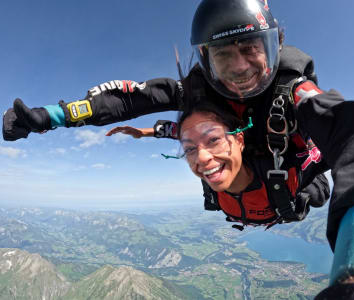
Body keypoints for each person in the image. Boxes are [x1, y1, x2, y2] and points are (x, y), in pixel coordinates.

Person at [3, 0, 330, 219]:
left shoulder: (297, 91)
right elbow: (130, 99)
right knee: (201, 133)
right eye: (224, 55)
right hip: (251, 196)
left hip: (290, 186)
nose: (240, 67)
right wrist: (49, 117)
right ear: (206, 59)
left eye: (249, 48)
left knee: (313, 172)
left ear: (273, 46)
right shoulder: (198, 92)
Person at [106, 104, 329, 229]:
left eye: (213, 140)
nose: (202, 158)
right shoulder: (211, 170)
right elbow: (182, 133)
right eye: (190, 149)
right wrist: (143, 133)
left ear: (239, 140)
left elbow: (343, 149)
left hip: (297, 179)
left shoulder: (286, 171)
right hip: (262, 201)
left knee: (318, 194)